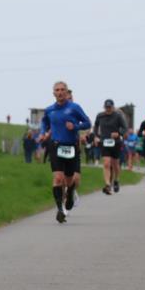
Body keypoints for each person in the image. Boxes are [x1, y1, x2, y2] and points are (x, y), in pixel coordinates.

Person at [37, 81, 91, 223]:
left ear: (66, 92)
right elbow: (44, 123)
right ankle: (60, 209)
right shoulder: (49, 110)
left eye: (62, 90)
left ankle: (71, 192)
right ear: (53, 93)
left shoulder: (74, 108)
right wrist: (43, 133)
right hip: (55, 146)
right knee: (58, 179)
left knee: (69, 180)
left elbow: (87, 123)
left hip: (71, 147)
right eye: (57, 90)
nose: (60, 92)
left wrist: (74, 126)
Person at [93, 98, 128, 195]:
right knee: (106, 163)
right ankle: (107, 184)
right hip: (104, 141)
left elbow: (125, 128)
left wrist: (119, 133)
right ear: (104, 107)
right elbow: (95, 126)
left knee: (115, 164)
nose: (108, 109)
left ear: (113, 107)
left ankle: (116, 180)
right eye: (106, 107)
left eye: (110, 107)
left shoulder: (118, 116)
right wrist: (96, 136)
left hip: (116, 143)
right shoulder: (100, 116)